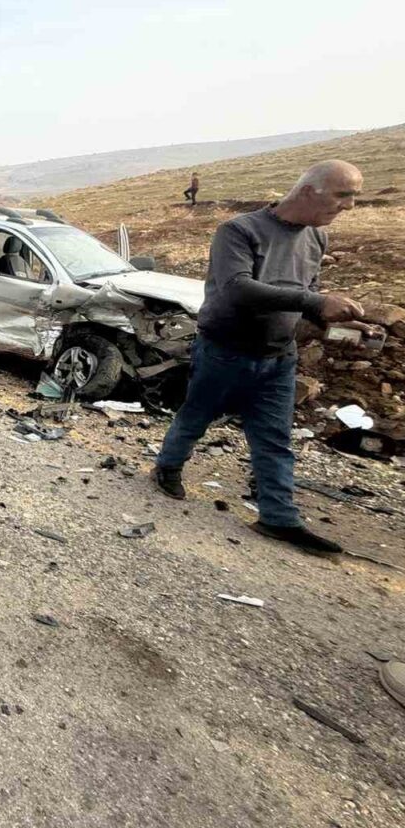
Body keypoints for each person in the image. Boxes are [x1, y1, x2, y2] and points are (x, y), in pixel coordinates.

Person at [153, 160, 367, 553]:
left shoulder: (316, 238)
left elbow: (305, 294)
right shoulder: (239, 231)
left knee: (274, 438)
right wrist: (315, 300)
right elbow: (237, 289)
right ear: (308, 191)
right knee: (196, 416)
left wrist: (329, 322)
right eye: (342, 194)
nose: (350, 205)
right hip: (224, 350)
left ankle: (278, 518)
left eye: (353, 196)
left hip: (278, 357)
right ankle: (167, 467)